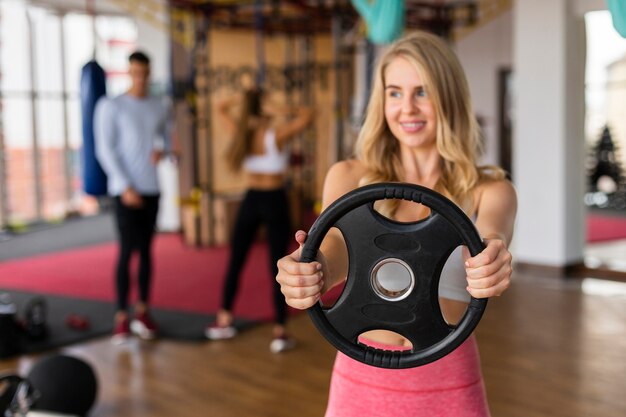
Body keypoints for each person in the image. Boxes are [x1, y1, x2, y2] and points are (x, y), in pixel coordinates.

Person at [276, 30, 517, 416]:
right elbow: (333, 254)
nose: (407, 108)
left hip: (447, 377)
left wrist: (493, 263)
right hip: (361, 373)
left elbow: (491, 241)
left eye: (422, 92)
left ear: (449, 97)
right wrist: (310, 270)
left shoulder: (491, 189)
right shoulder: (348, 176)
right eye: (394, 92)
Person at [205, 87, 314, 353]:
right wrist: (278, 109)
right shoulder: (275, 135)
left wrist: (241, 98)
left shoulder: (244, 134)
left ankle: (225, 317)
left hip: (252, 200)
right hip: (273, 199)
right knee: (276, 263)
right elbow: (309, 114)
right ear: (264, 107)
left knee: (238, 261)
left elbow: (219, 107)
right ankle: (279, 330)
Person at [94, 51, 172, 344]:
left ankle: (143, 311)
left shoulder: (157, 106)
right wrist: (125, 186)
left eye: (145, 73)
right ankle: (121, 317)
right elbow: (105, 150)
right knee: (127, 251)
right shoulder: (111, 106)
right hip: (124, 191)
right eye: (135, 73)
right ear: (129, 72)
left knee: (147, 252)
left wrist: (163, 150)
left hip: (151, 188)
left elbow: (166, 136)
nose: (140, 78)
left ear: (149, 74)